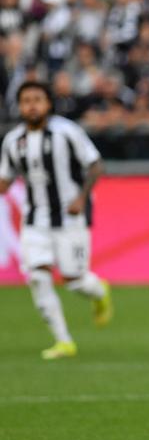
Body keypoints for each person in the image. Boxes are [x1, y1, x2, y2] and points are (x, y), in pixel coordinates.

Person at [0, 80, 113, 359]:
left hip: (70, 217)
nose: (32, 105)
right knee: (37, 277)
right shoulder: (13, 141)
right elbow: (6, 178)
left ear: (48, 103)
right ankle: (64, 341)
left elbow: (95, 165)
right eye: (26, 100)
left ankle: (100, 293)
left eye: (37, 99)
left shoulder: (66, 132)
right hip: (34, 220)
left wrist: (81, 197)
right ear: (20, 106)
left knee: (75, 281)